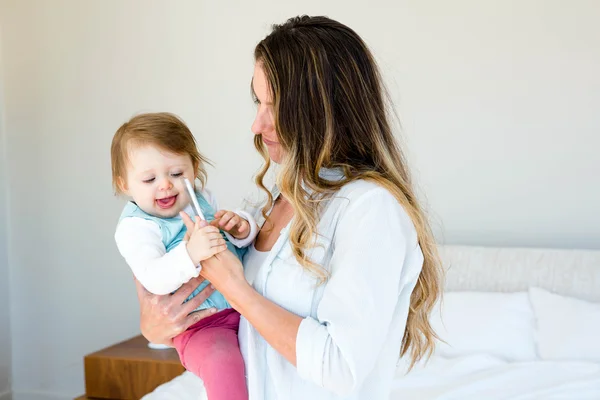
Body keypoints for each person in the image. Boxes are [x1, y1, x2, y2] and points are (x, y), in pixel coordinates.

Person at [135, 15, 443, 400]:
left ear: (324, 109)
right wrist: (157, 326)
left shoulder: (371, 209)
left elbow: (341, 366)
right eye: (257, 101)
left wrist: (233, 285)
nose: (256, 124)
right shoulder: (276, 201)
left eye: (274, 105)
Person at [111, 112, 255, 400]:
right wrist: (191, 254)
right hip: (202, 325)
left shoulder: (201, 199)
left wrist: (242, 227)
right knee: (221, 362)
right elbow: (153, 279)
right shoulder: (137, 228)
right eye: (149, 179)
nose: (165, 185)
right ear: (125, 184)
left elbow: (237, 242)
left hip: (246, 311)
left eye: (177, 174)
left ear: (194, 168)